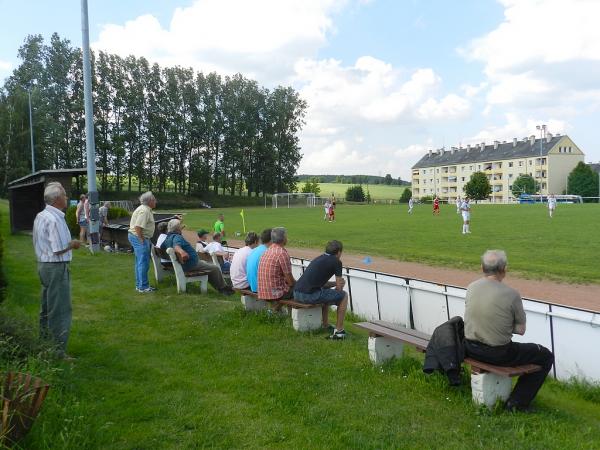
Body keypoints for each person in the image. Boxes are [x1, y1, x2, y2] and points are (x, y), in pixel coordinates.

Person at [464, 250, 554, 412]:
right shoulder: (511, 294)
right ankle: (517, 403)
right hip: (497, 353)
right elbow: (521, 330)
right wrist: (504, 324)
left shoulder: (471, 287)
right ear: (504, 269)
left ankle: (515, 401)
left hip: (470, 348)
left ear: (482, 267)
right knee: (546, 355)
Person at [33, 182, 81, 359]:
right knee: (60, 310)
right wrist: (73, 244)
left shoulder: (41, 215)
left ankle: (44, 344)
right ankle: (57, 352)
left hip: (44, 266)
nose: (67, 197)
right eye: (65, 195)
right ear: (57, 199)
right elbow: (58, 247)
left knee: (47, 308)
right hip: (55, 267)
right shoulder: (54, 219)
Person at [161, 219, 233, 296]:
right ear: (177, 228)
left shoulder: (168, 238)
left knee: (207, 265)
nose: (182, 227)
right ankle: (223, 289)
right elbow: (176, 246)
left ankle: (220, 287)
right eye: (180, 226)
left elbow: (162, 247)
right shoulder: (177, 237)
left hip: (184, 264)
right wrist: (182, 252)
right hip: (191, 264)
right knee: (215, 268)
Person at [294, 240, 349, 340]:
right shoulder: (337, 262)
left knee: (325, 292)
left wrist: (334, 284)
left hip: (297, 293)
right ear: (339, 252)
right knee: (344, 296)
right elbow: (340, 289)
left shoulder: (319, 258)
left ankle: (325, 324)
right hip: (308, 295)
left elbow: (320, 284)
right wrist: (338, 285)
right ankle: (339, 331)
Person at [128, 191, 157, 293]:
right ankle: (143, 287)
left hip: (138, 237)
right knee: (143, 263)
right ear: (149, 201)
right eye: (154, 199)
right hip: (139, 237)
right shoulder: (144, 211)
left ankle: (140, 285)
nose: (155, 201)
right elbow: (138, 227)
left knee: (140, 262)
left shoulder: (145, 209)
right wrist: (141, 239)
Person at [257, 227, 295, 306]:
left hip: (263, 292)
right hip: (275, 294)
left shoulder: (267, 251)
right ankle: (291, 316)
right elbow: (290, 281)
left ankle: (276, 312)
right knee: (300, 291)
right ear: (283, 238)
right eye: (286, 236)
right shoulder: (281, 253)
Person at [246, 228, 272, 293]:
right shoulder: (267, 251)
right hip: (261, 289)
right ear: (271, 240)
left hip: (253, 287)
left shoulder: (254, 250)